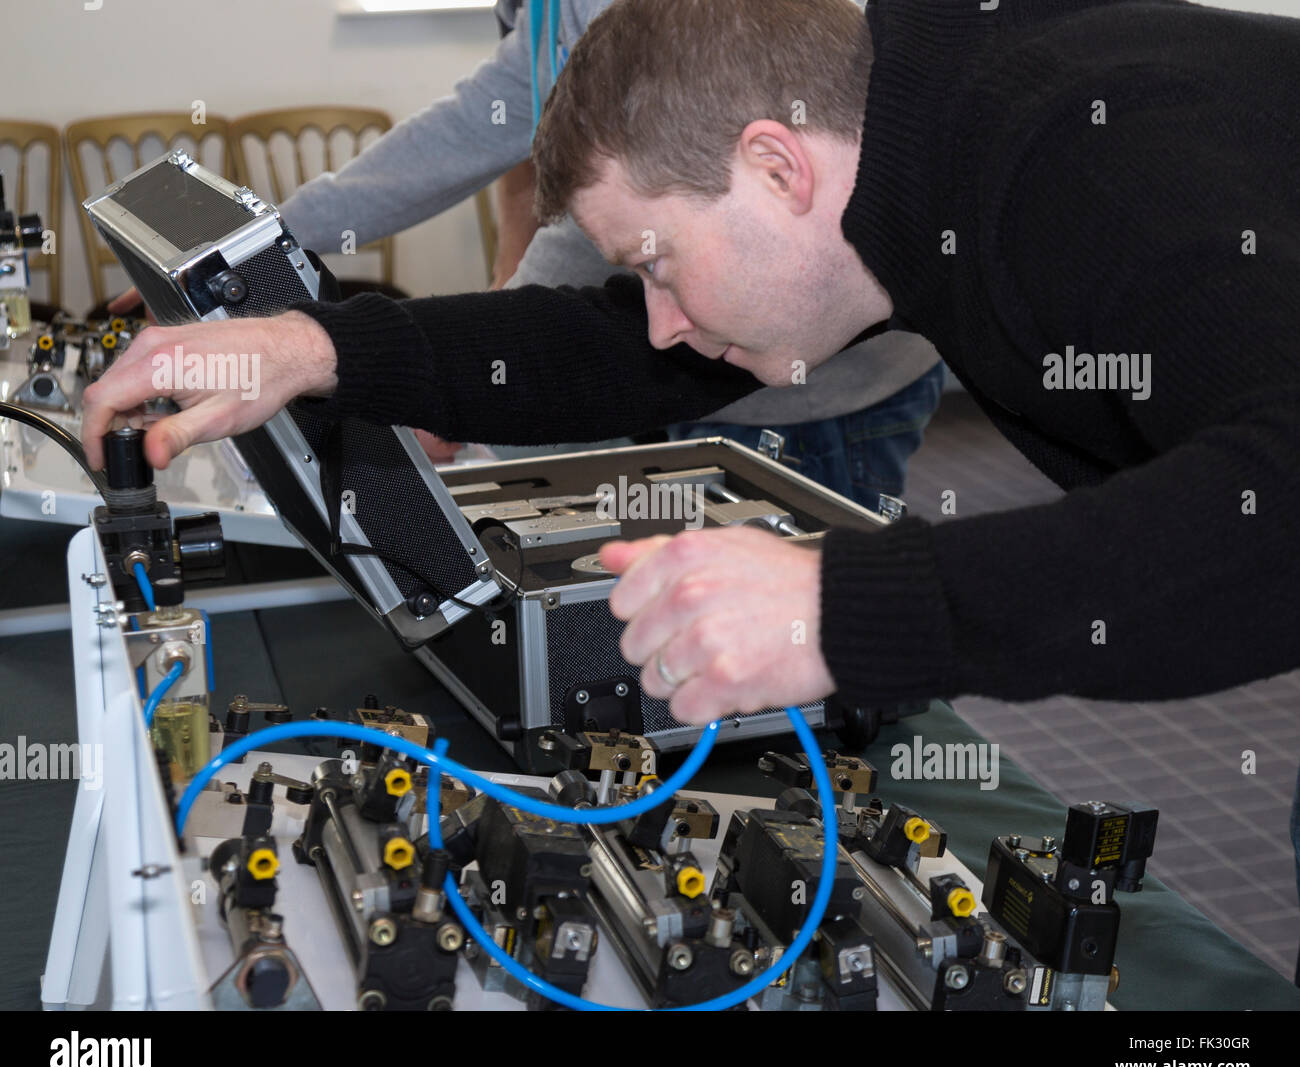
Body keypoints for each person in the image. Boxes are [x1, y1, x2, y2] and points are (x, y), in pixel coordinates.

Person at [84, 0, 1298, 735]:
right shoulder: (897, 148)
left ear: (776, 168)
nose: (659, 319)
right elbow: (616, 347)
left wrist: (844, 607)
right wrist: (321, 345)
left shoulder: (1078, 153)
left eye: (660, 263)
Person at [109, 0, 944, 502]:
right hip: (684, 356)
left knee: (824, 669)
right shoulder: (548, 17)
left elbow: (608, 245)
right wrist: (270, 235)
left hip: (824, 397)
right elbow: (478, 134)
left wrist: (468, 392)